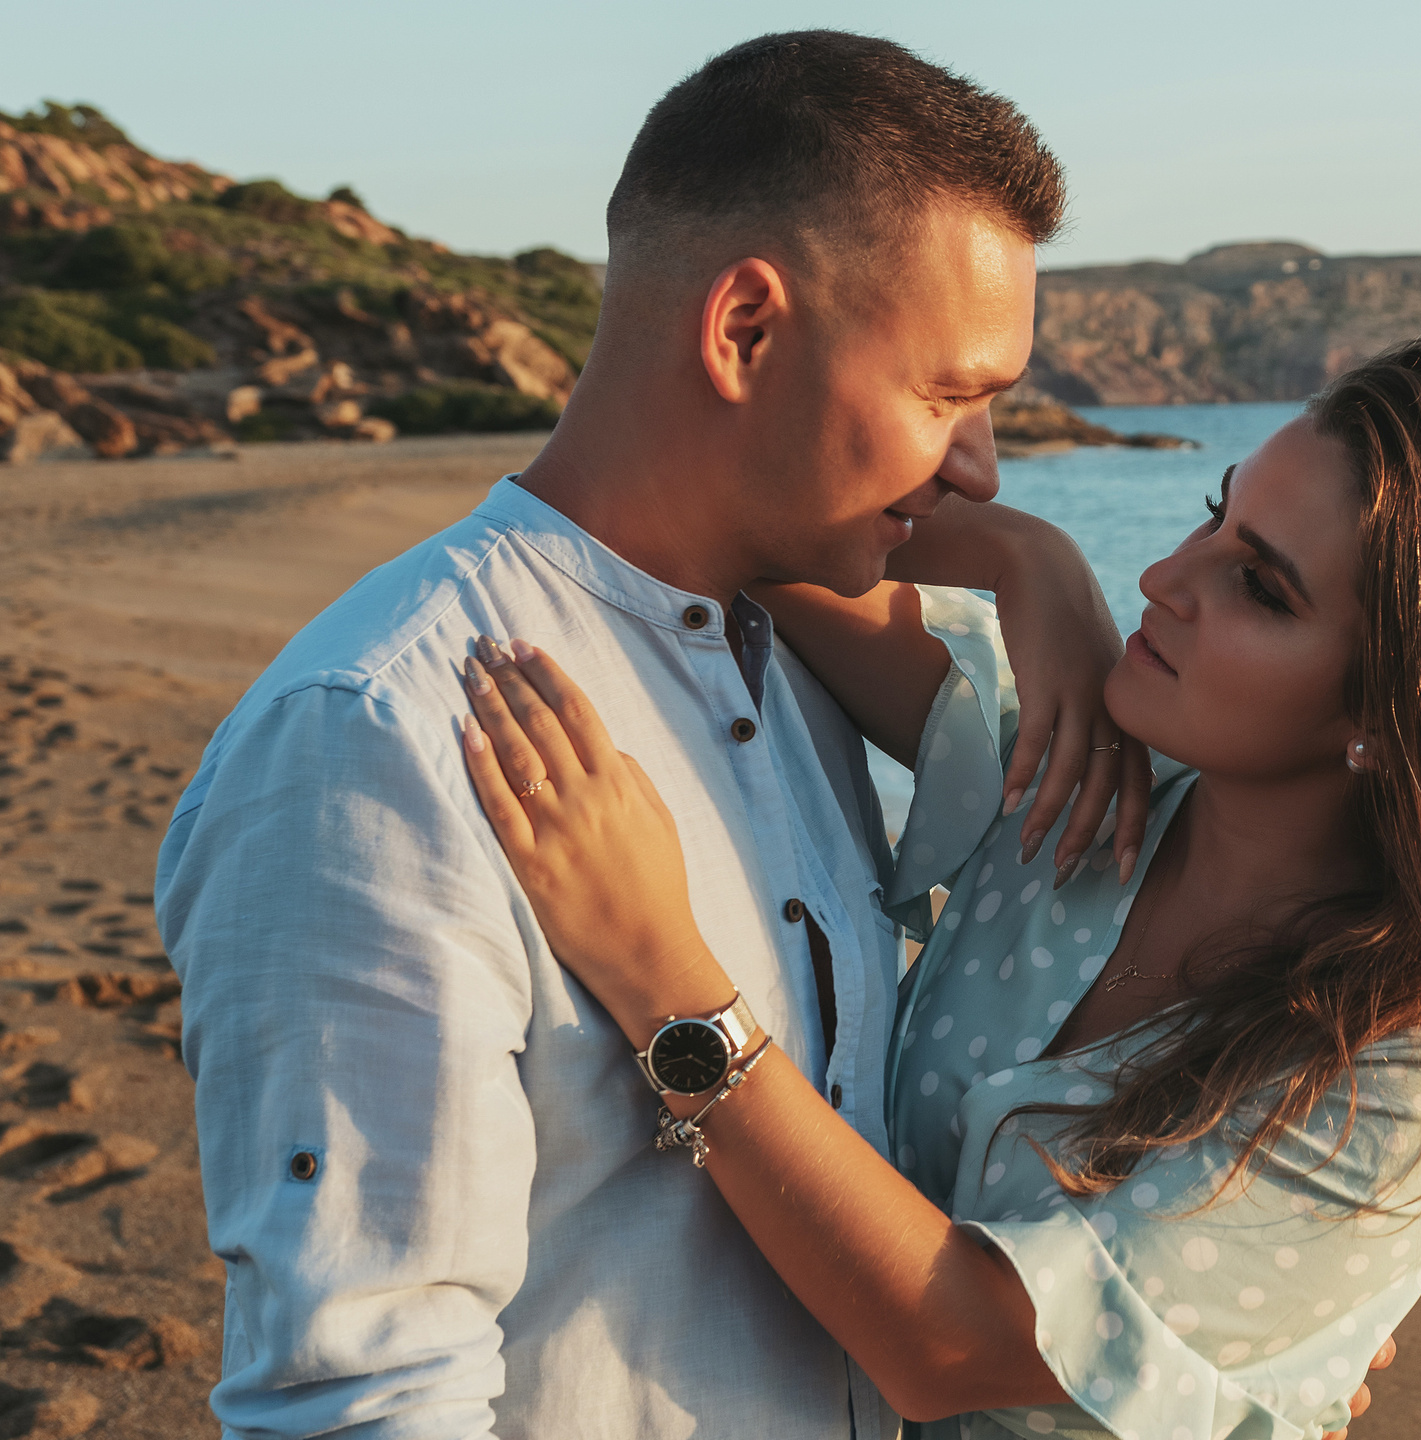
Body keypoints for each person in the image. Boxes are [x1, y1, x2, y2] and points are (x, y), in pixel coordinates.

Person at [158, 32, 1152, 1438]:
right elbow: (362, 1394)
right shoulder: (380, 738)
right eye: (948, 397)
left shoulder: (784, 651)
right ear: (745, 330)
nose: (979, 463)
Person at [450, 338, 1421, 1439]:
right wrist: (1028, 555)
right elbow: (732, 508)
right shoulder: (1080, 777)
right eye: (1212, 515)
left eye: (1261, 585)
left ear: (1398, 717)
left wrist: (657, 969)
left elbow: (948, 1346)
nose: (1166, 576)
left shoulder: (1405, 1075)